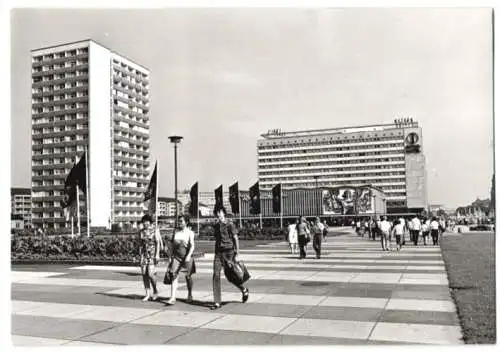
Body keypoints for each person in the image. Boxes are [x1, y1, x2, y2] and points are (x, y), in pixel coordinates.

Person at [211, 207, 249, 310]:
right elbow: (217, 239)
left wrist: (237, 252)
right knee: (216, 274)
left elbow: (235, 237)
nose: (218, 214)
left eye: (220, 212)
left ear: (224, 213)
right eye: (217, 213)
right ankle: (217, 302)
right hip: (219, 253)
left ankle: (244, 289)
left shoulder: (229, 224)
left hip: (229, 253)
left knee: (231, 276)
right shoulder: (216, 226)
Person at [165, 214, 196, 305]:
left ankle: (190, 294)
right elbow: (172, 246)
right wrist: (170, 256)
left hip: (187, 257)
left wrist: (188, 256)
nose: (179, 223)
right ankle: (172, 297)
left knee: (188, 276)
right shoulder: (176, 233)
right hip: (177, 257)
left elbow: (192, 246)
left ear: (186, 222)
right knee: (174, 275)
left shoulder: (190, 233)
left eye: (181, 221)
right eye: (179, 221)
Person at [138, 214, 164, 302]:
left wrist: (157, 254)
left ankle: (155, 290)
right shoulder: (141, 231)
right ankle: (147, 293)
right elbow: (140, 245)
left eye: (147, 221)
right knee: (144, 274)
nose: (145, 223)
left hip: (152, 254)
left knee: (151, 274)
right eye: (144, 222)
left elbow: (157, 242)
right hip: (144, 255)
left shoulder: (154, 230)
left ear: (150, 222)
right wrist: (140, 255)